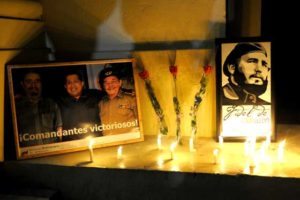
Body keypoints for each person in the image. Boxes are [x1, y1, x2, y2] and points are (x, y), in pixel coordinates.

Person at [15, 71, 62, 147]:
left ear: (41, 84)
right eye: (29, 82)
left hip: (52, 153)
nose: (33, 85)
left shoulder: (52, 104)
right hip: (27, 156)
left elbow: (60, 130)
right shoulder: (16, 108)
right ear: (23, 84)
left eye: (37, 81)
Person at [57, 71, 103, 141]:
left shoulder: (95, 95)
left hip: (96, 142)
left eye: (75, 81)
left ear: (82, 83)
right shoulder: (59, 101)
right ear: (65, 86)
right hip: (72, 146)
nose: (72, 85)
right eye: (69, 83)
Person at [98, 65, 138, 135]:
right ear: (103, 86)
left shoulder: (132, 98)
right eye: (106, 83)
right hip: (109, 141)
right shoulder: (101, 103)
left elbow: (141, 122)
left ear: (120, 82)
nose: (110, 85)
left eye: (113, 81)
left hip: (129, 140)